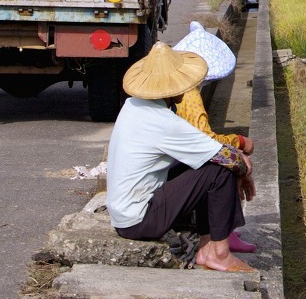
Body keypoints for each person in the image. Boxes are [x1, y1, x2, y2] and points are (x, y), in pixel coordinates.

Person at [106, 42, 256, 273]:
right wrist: (245, 172)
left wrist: (236, 162)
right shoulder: (162, 122)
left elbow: (210, 151)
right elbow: (227, 158)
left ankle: (208, 246)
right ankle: (218, 253)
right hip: (139, 220)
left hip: (124, 213)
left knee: (208, 162)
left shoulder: (134, 105)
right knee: (219, 170)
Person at [173, 21, 257, 254]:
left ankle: (223, 228)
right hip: (172, 167)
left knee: (227, 158)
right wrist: (239, 142)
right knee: (225, 163)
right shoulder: (188, 94)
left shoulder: (180, 88)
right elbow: (206, 139)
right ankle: (223, 234)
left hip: (172, 160)